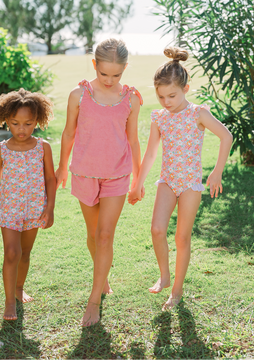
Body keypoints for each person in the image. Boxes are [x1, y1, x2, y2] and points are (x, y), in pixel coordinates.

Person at [128, 47, 233, 311]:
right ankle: (164, 275)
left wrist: (217, 171)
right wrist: (138, 182)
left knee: (182, 238)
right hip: (167, 180)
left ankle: (176, 291)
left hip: (190, 184)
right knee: (157, 229)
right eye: (161, 96)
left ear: (186, 89)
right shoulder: (159, 117)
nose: (166, 101)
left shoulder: (198, 113)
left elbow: (226, 137)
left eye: (171, 95)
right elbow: (151, 152)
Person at [55, 38, 143, 326]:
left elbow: (133, 140)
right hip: (84, 172)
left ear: (125, 69)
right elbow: (68, 134)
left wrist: (138, 179)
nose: (109, 80)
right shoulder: (78, 95)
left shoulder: (130, 98)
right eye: (104, 73)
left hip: (117, 175)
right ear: (94, 65)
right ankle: (102, 275)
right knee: (93, 236)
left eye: (116, 75)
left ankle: (94, 300)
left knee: (105, 235)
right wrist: (62, 168)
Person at [0, 88, 56, 320]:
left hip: (35, 209)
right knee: (12, 253)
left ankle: (19, 288)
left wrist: (50, 208)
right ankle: (8, 303)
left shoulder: (43, 148)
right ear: (6, 121)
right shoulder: (1, 150)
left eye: (28, 123)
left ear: (37, 121)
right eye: (15, 123)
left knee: (25, 253)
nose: (21, 129)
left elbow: (50, 179)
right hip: (9, 210)